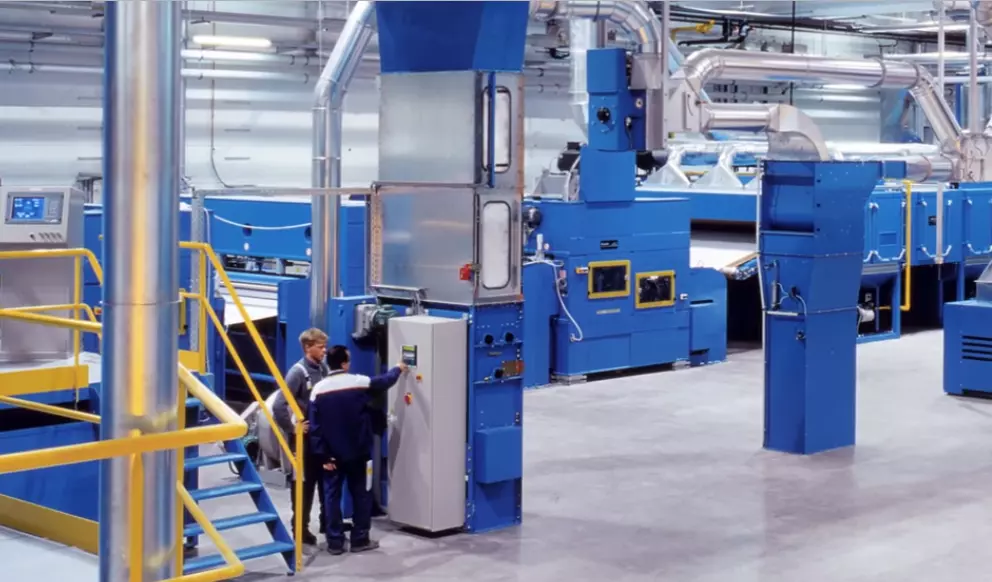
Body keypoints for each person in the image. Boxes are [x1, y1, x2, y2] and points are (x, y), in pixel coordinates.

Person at [309, 345, 407, 554]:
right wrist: (399, 368)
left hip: (331, 456)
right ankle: (360, 539)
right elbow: (384, 382)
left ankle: (335, 542)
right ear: (344, 364)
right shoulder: (358, 382)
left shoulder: (318, 390)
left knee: (331, 497)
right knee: (361, 494)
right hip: (359, 452)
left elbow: (315, 429)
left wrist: (323, 456)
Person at [272, 328, 330, 546]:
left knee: (325, 481)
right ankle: (300, 528)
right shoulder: (297, 373)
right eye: (320, 347)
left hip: (321, 437)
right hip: (303, 441)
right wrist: (293, 429)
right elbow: (279, 405)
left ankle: (327, 522)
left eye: (325, 347)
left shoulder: (323, 369)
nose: (324, 351)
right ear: (308, 347)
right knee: (304, 485)